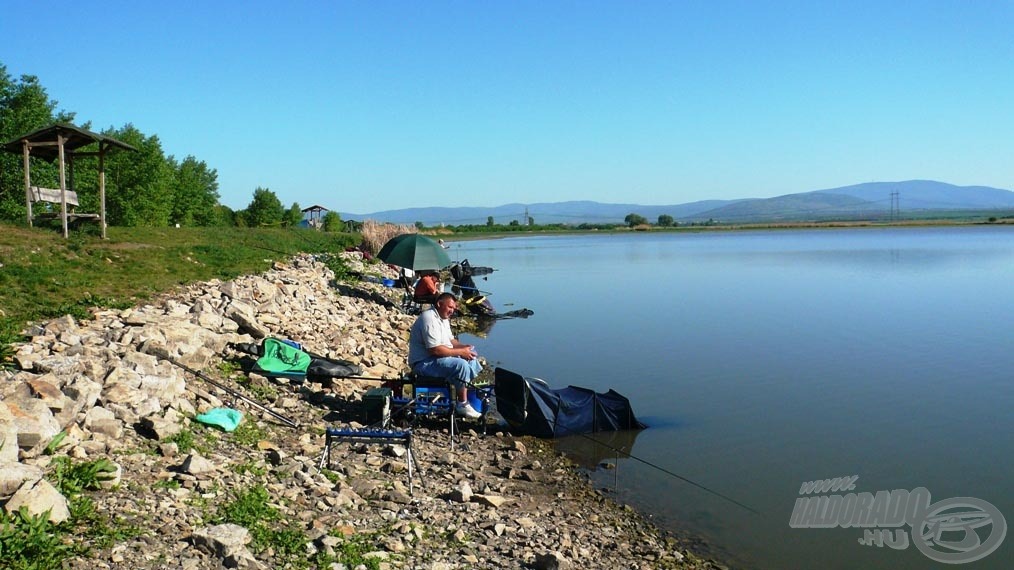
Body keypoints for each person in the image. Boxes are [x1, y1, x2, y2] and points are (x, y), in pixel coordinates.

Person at [408, 293, 482, 419]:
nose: (452, 311)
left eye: (453, 308)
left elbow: (451, 342)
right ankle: (462, 404)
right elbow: (435, 350)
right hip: (423, 363)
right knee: (461, 364)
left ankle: (464, 393)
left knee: (472, 360)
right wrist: (460, 353)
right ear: (439, 304)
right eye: (450, 307)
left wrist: (464, 348)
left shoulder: (444, 318)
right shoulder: (429, 318)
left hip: (436, 359)